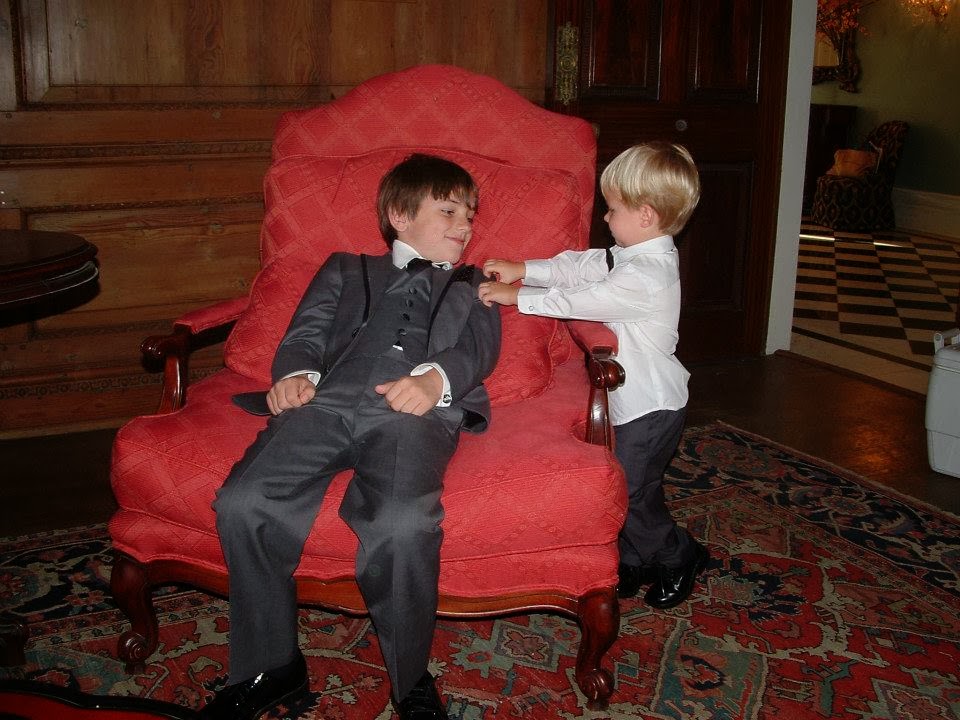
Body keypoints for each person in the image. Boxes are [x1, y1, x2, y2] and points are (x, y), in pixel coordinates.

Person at [202, 153, 501, 720]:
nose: (465, 225)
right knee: (245, 500)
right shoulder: (346, 268)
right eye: (449, 210)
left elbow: (478, 349)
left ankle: (410, 678)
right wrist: (295, 376)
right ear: (399, 215)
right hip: (326, 402)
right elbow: (306, 332)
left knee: (401, 522)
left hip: (411, 412)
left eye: (470, 214)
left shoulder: (475, 282)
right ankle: (272, 666)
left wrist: (434, 380)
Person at [478, 141, 707, 610]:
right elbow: (581, 266)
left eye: (613, 209)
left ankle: (678, 555)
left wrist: (515, 296)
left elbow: (580, 299)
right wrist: (525, 269)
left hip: (651, 406)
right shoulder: (631, 255)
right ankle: (634, 560)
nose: (605, 217)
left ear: (645, 215)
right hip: (634, 403)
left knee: (633, 492)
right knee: (625, 482)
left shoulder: (648, 275)